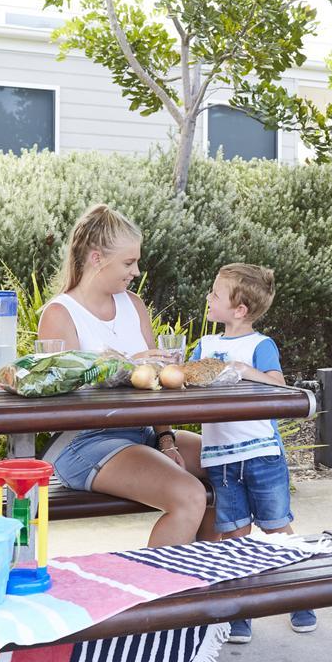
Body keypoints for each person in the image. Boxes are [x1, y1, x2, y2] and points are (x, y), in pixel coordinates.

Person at [38, 203, 211, 548]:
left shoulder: (133, 305)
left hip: (142, 430)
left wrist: (166, 439)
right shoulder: (60, 314)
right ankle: (161, 597)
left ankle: (215, 584)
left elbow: (155, 384)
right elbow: (61, 391)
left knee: (229, 464)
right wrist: (130, 363)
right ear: (97, 258)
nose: (136, 271)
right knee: (189, 495)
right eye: (128, 263)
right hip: (84, 441)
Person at [189, 262, 317, 644]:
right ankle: (240, 611)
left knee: (276, 526)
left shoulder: (260, 346)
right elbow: (192, 380)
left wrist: (246, 370)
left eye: (215, 293)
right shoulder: (205, 346)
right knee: (234, 533)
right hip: (220, 457)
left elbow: (279, 387)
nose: (208, 298)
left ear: (239, 310)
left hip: (261, 452)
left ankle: (301, 596)